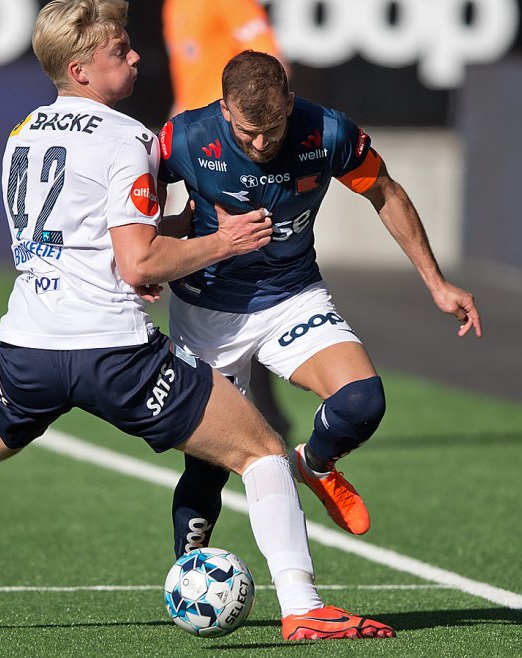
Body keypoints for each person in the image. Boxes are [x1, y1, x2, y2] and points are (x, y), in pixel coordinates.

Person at [0, 0, 394, 642]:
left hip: (29, 347)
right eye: (120, 52)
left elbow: (88, 241)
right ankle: (304, 610)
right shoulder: (128, 138)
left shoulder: (22, 133)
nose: (136, 57)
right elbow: (138, 265)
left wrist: (175, 235)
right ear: (82, 70)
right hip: (114, 354)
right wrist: (221, 242)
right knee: (265, 453)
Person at [158, 51, 482, 558]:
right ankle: (190, 571)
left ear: (289, 102)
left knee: (362, 402)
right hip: (206, 313)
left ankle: (316, 463)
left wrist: (436, 283)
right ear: (224, 110)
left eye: (272, 128)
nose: (261, 144)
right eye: (248, 133)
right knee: (208, 465)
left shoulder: (327, 133)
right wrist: (166, 250)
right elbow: (140, 220)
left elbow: (385, 192)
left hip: (292, 295)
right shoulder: (184, 138)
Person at [162, 0, 295, 440]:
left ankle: (250, 410)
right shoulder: (174, 6)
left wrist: (256, 144)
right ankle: (250, 407)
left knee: (237, 271)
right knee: (209, 272)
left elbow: (271, 66)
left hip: (233, 154)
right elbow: (190, 82)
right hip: (198, 151)